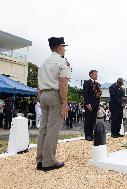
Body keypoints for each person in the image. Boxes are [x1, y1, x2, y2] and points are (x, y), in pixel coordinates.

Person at [36, 37, 71, 171]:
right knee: (52, 130)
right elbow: (63, 83)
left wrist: (40, 98)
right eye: (63, 46)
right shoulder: (62, 62)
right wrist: (65, 102)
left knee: (43, 129)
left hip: (44, 94)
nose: (64, 49)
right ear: (58, 47)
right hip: (55, 95)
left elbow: (38, 85)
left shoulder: (44, 63)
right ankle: (49, 161)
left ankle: (40, 160)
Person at [83, 70, 101, 141]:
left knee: (93, 120)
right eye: (95, 74)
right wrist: (87, 103)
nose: (96, 76)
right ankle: (87, 135)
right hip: (89, 104)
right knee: (88, 120)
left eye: (97, 74)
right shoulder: (87, 82)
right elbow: (85, 93)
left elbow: (98, 95)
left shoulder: (97, 84)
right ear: (90, 75)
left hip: (96, 104)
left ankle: (91, 134)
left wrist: (98, 104)